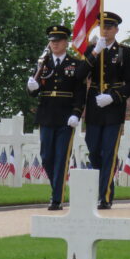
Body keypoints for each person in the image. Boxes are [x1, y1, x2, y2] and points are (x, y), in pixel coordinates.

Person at [75, 11, 130, 209]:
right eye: (103, 26)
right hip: (94, 106)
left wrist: (114, 96)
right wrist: (94, 54)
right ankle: (98, 188)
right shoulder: (92, 49)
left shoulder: (125, 52)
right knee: (94, 150)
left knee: (109, 151)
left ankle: (105, 195)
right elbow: (80, 75)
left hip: (113, 107)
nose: (106, 30)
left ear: (116, 30)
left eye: (110, 27)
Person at [26, 25, 84, 211]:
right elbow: (34, 92)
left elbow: (80, 92)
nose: (54, 44)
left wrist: (77, 113)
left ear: (66, 42)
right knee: (46, 157)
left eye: (58, 41)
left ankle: (56, 198)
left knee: (61, 158)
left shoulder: (75, 64)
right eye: (52, 41)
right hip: (47, 115)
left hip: (66, 117)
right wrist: (32, 88)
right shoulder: (43, 64)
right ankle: (56, 189)